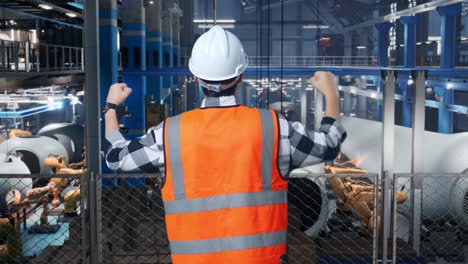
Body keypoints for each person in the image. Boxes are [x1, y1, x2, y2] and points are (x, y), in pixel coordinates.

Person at [102, 25, 346, 264]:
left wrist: (111, 108)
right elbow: (330, 144)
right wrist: (332, 95)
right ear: (241, 76)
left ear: (195, 76)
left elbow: (116, 157)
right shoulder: (274, 128)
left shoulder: (168, 134)